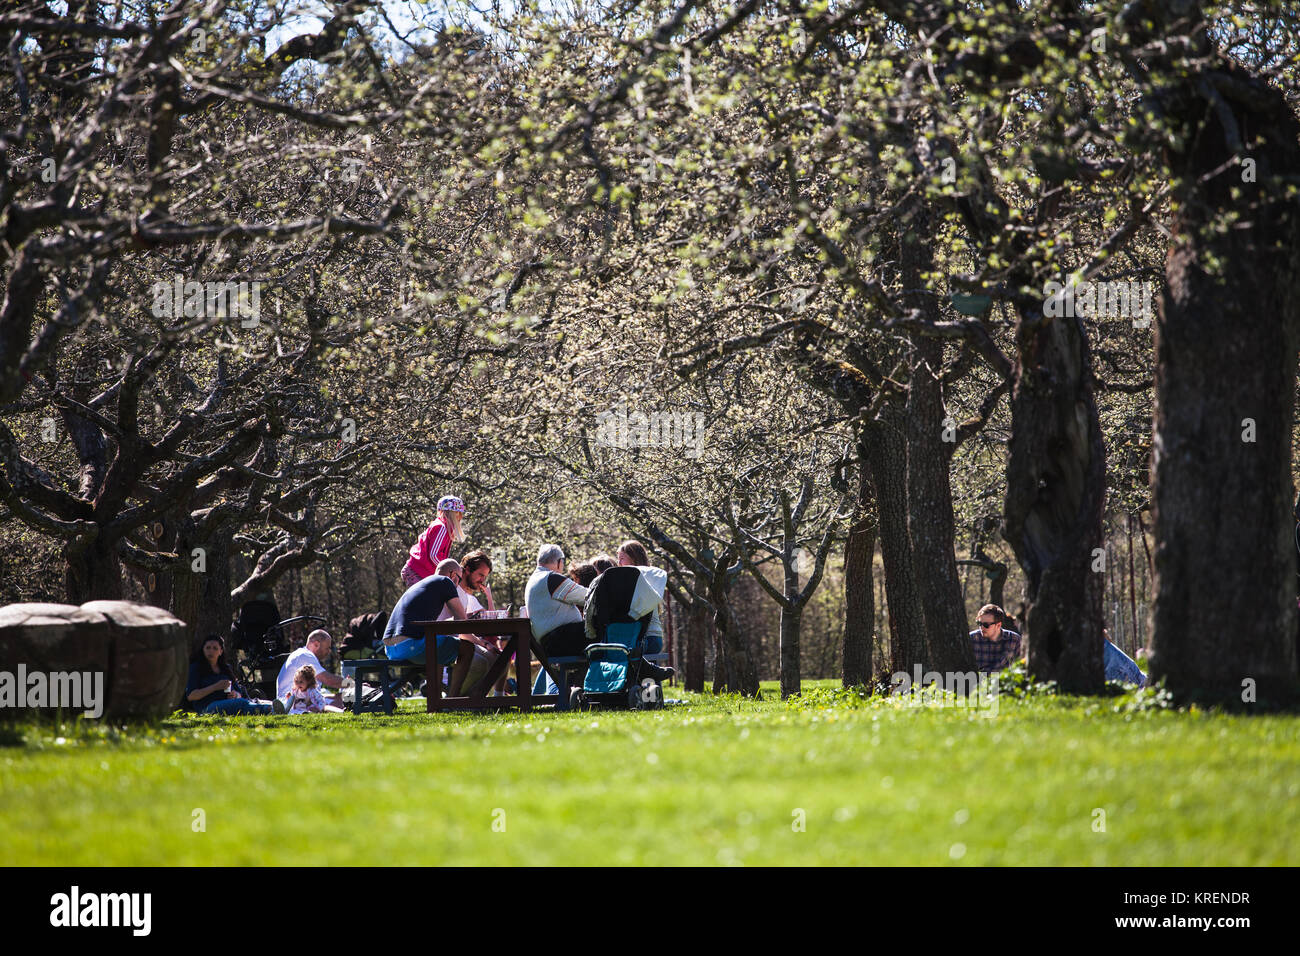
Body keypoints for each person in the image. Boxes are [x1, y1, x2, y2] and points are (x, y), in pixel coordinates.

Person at [382, 569, 491, 697]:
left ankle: (437, 697)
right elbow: (462, 623)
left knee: (439, 645)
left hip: (390, 650)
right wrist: (481, 642)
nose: (457, 585)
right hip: (409, 646)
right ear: (452, 574)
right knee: (466, 648)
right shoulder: (445, 581)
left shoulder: (422, 585)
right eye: (459, 580)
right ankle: (453, 699)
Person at [184, 634, 283, 715]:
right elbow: (191, 696)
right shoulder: (196, 668)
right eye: (208, 648)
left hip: (229, 703)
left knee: (247, 701)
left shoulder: (225, 668)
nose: (211, 651)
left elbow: (239, 693)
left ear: (221, 651)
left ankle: (281, 707)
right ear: (203, 649)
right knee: (241, 704)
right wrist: (215, 687)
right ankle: (270, 710)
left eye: (215, 648)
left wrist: (235, 694)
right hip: (206, 707)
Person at [402, 495, 466, 588]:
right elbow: (434, 555)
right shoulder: (442, 528)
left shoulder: (445, 529)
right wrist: (449, 570)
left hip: (420, 572)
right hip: (417, 571)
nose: (460, 517)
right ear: (452, 513)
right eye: (458, 513)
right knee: (426, 601)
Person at [616, 540, 665, 657]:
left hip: (649, 638)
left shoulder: (646, 577)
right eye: (618, 558)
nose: (618, 562)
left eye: (622, 558)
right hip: (641, 638)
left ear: (634, 558)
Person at [276, 629, 347, 709]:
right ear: (316, 644)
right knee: (341, 702)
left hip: (300, 699)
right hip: (292, 703)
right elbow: (329, 680)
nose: (329, 651)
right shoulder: (305, 655)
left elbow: (314, 693)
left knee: (339, 697)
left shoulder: (304, 654)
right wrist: (354, 684)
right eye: (327, 648)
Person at [969, 604, 1022, 674]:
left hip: (1004, 683)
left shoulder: (1014, 640)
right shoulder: (972, 639)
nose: (981, 627)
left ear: (998, 625)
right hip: (978, 682)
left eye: (986, 625)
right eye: (979, 623)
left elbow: (1021, 667)